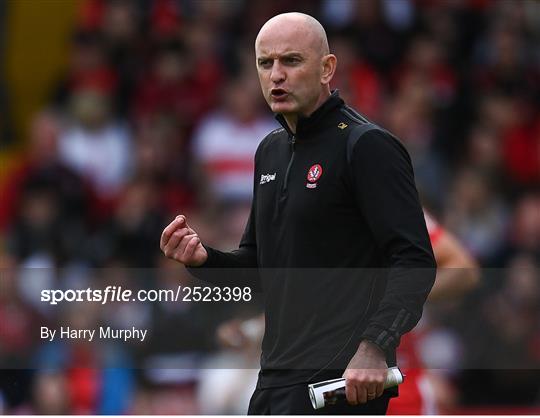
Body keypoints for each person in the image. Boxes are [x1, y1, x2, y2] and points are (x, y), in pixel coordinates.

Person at [161, 12, 436, 415]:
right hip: (276, 381)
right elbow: (261, 268)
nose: (276, 75)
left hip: (341, 384)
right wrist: (205, 260)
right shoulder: (269, 151)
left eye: (291, 61)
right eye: (265, 63)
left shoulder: (367, 146)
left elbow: (414, 260)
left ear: (327, 69)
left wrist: (375, 347)